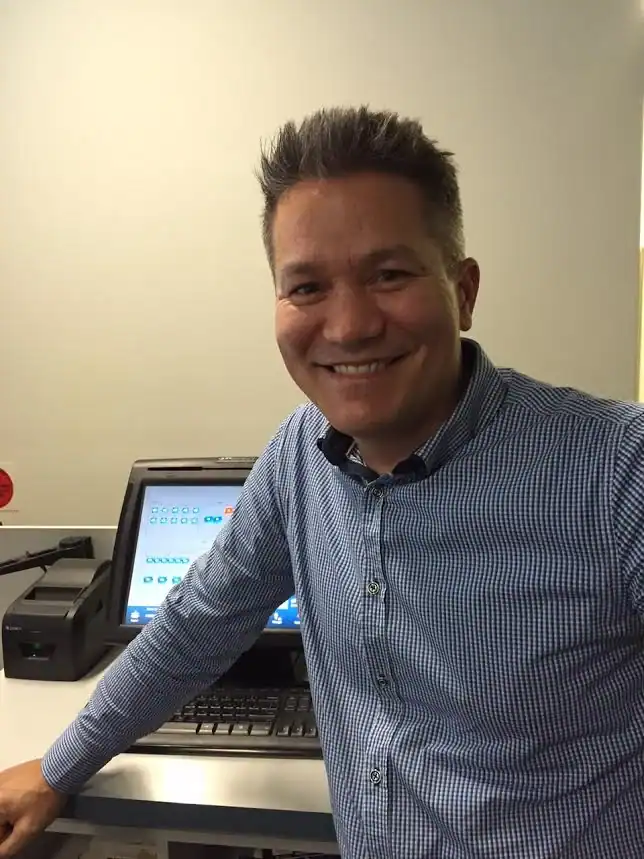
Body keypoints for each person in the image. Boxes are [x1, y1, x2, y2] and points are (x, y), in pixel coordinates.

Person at [1, 105, 644, 859]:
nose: (348, 327)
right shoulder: (298, 457)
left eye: (389, 275)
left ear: (464, 290)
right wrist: (61, 765)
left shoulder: (617, 469)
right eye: (306, 287)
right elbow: (195, 626)